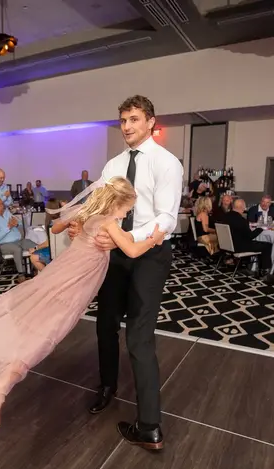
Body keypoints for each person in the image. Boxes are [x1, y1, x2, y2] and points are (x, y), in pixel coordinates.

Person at [0, 176, 166, 429]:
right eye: (128, 207)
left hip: (61, 273)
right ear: (117, 202)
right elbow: (132, 250)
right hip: (74, 284)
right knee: (48, 331)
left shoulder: (89, 214)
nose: (128, 211)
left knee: (35, 323)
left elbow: (55, 227)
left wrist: (75, 225)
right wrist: (154, 239)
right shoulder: (109, 222)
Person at [66, 95, 182, 450]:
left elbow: (167, 218)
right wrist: (81, 225)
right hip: (113, 254)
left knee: (139, 337)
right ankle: (106, 387)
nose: (128, 126)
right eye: (123, 121)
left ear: (150, 122)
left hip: (149, 255)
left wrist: (130, 240)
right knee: (105, 324)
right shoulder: (113, 163)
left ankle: (149, 426)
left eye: (134, 119)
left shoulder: (167, 163)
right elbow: (99, 206)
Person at [0, 197, 35, 282]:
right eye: (2, 204)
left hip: (19, 240)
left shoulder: (6, 213)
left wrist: (16, 223)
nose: (4, 205)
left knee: (33, 244)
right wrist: (8, 227)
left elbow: (19, 223)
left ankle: (36, 270)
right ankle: (21, 275)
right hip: (4, 245)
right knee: (17, 249)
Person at [224, 198, 273, 272]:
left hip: (226, 245)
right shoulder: (241, 220)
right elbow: (250, 236)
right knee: (267, 245)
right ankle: (264, 270)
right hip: (238, 247)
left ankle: (250, 265)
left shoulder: (225, 216)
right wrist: (261, 228)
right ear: (243, 208)